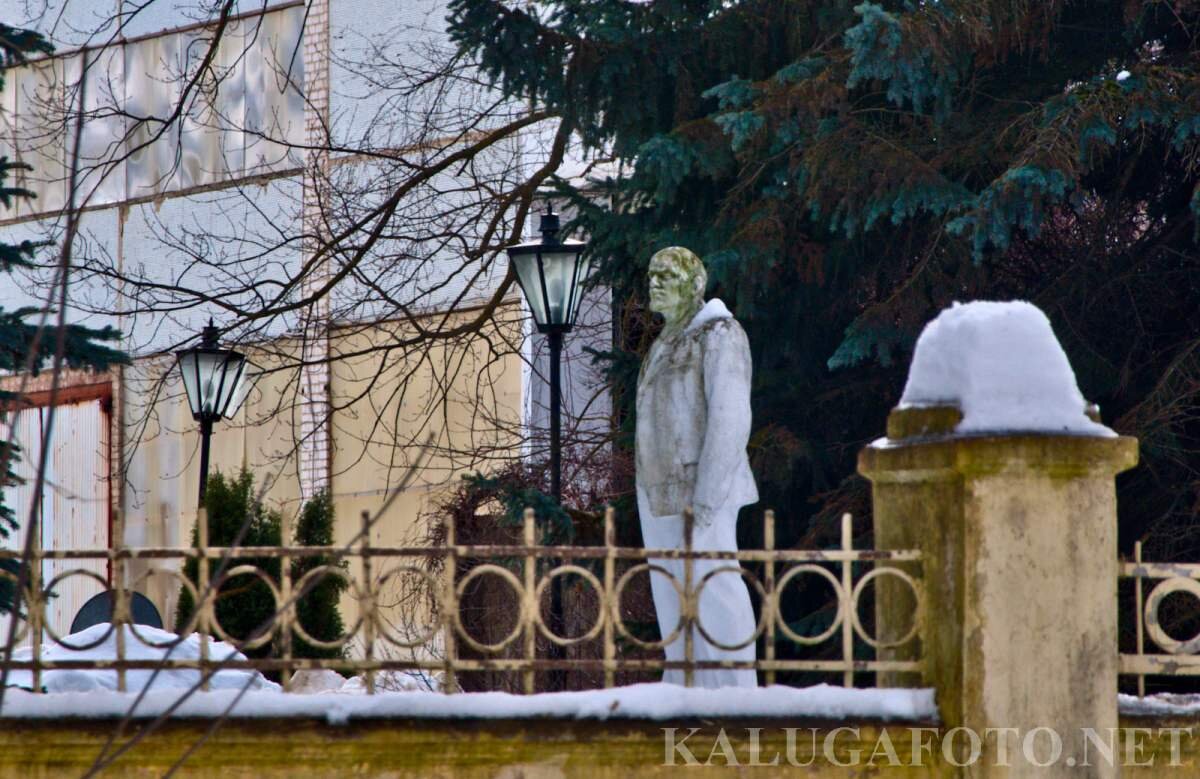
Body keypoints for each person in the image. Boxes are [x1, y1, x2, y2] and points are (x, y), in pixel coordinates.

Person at [635, 246, 758, 688]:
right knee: (673, 596)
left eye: (666, 275)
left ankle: (734, 694)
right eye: (652, 275)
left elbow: (730, 416)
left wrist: (708, 497)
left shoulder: (719, 333)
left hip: (703, 488)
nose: (654, 283)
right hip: (659, 492)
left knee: (714, 589)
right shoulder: (662, 345)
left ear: (694, 284)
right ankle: (684, 691)